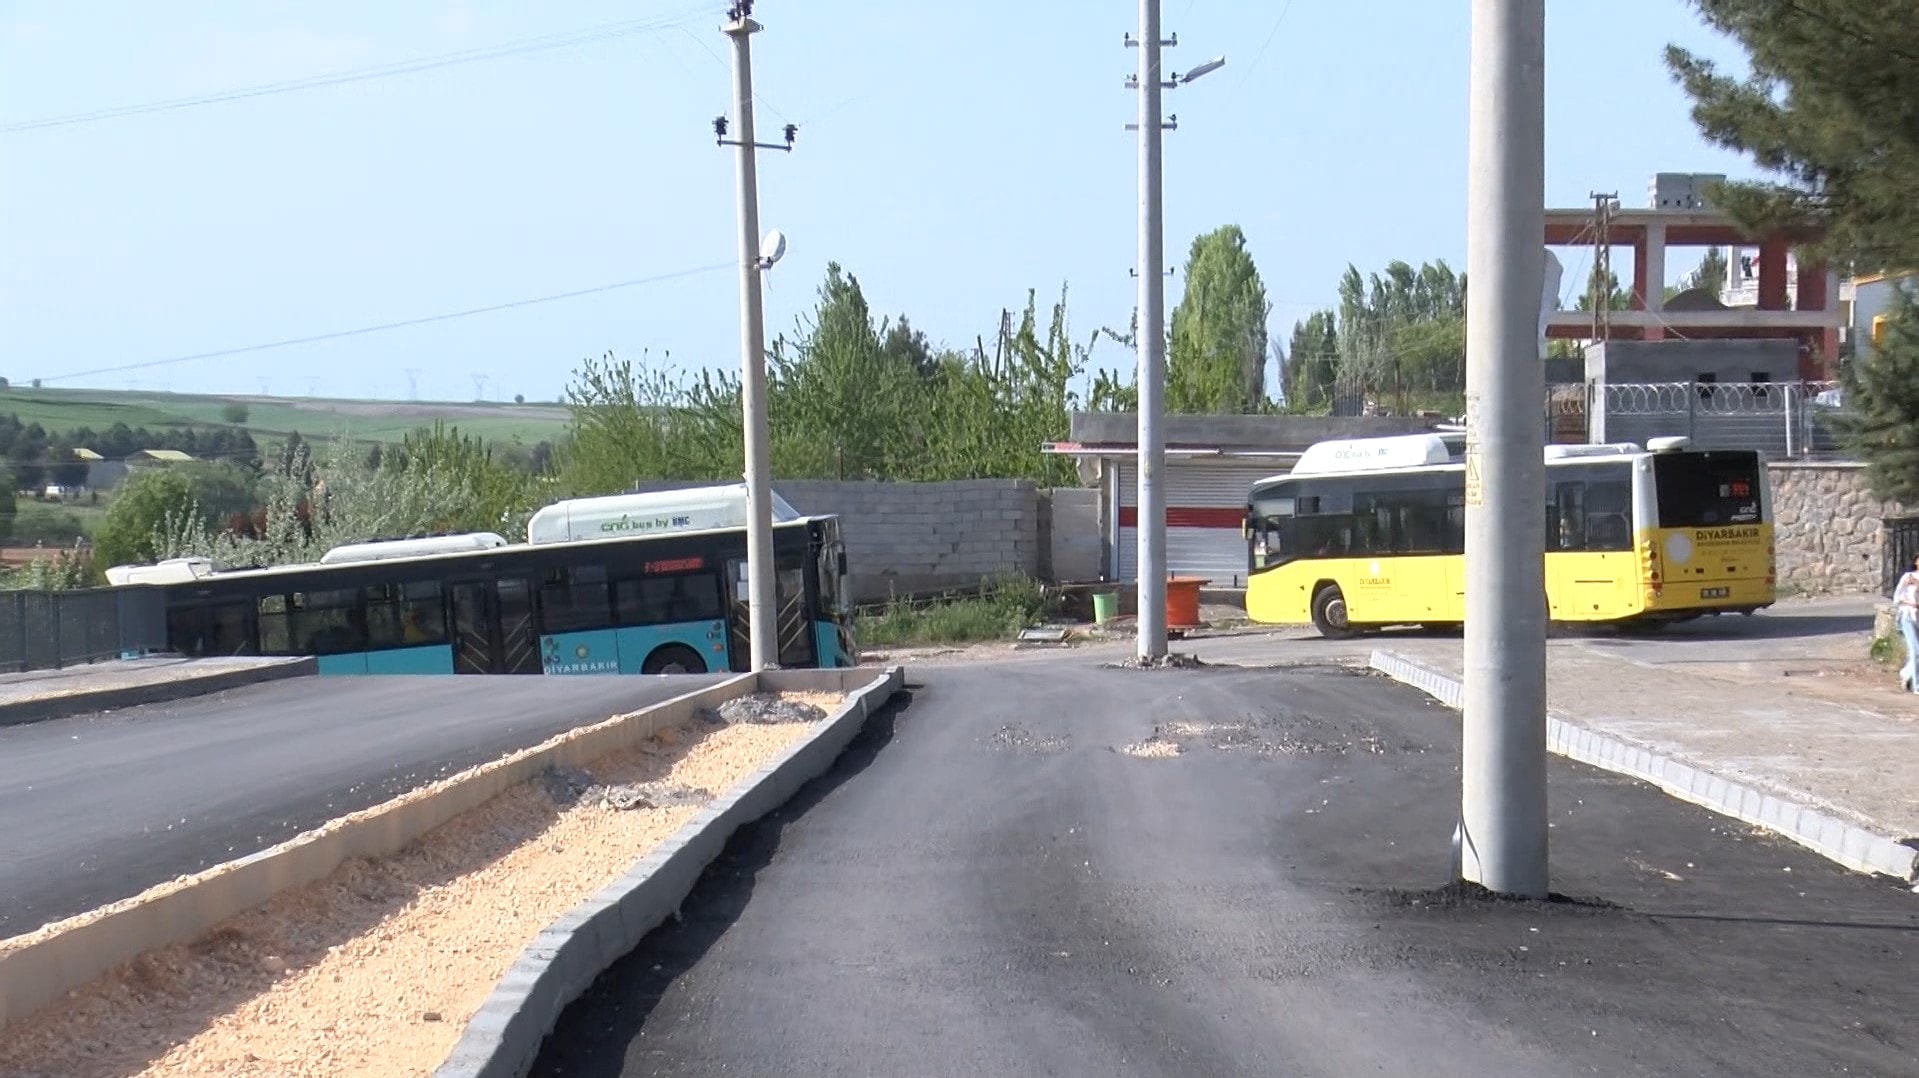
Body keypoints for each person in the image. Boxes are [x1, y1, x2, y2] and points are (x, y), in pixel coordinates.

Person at [1894, 552, 1919, 693]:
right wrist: (1909, 602)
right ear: (1915, 562)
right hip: (1908, 615)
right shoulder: (1908, 577)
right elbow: (1897, 597)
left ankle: (1906, 673)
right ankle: (1917, 686)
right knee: (1916, 650)